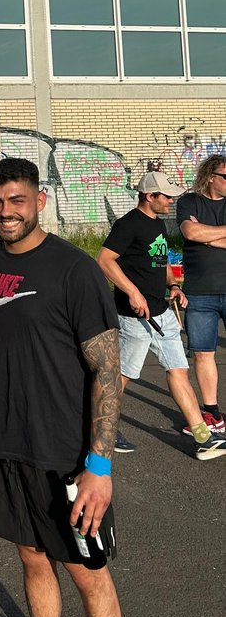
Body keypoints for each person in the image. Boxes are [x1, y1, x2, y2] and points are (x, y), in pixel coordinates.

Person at [0, 158, 131, 617]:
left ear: (39, 201)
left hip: (66, 454)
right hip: (6, 444)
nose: (6, 212)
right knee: (33, 558)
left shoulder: (75, 269)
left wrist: (99, 465)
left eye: (17, 200)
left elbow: (108, 369)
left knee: (88, 573)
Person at [97, 171, 226, 460]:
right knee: (123, 376)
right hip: (136, 318)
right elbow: (104, 259)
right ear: (149, 196)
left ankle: (202, 437)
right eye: (166, 196)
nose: (170, 201)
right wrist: (133, 292)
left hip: (162, 312)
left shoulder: (157, 223)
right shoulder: (128, 224)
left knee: (178, 370)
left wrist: (173, 286)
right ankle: (101, 429)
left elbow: (161, 258)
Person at [175, 154, 226, 436]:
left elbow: (199, 233)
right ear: (210, 177)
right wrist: (207, 235)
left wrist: (207, 236)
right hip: (199, 291)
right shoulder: (189, 201)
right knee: (204, 354)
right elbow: (190, 232)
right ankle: (212, 413)